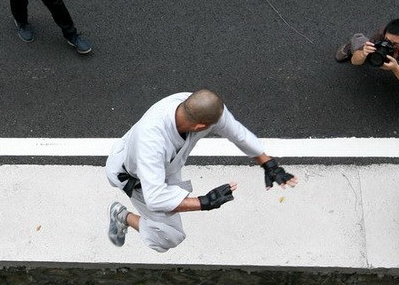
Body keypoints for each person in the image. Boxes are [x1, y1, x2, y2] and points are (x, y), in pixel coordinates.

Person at [105, 90, 298, 252]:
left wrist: (268, 164)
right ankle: (121, 216)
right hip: (134, 177)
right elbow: (155, 198)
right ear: (200, 127)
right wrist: (205, 202)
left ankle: (124, 216)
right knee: (169, 238)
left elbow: (238, 134)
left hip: (166, 167)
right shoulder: (152, 140)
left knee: (172, 228)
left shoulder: (196, 106)